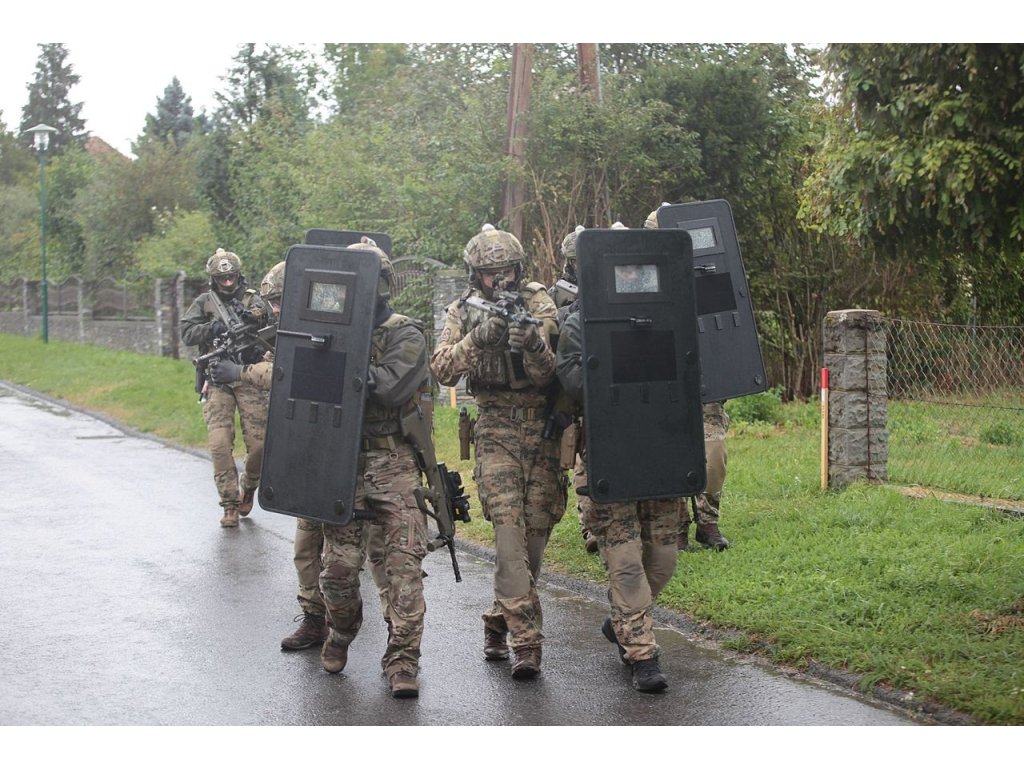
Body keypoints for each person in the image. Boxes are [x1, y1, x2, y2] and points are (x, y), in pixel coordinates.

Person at [209, 259, 391, 657]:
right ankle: (313, 617)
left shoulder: (326, 331)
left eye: (279, 302)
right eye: (272, 304)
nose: (274, 310)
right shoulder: (288, 329)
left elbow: (287, 371)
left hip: (352, 454)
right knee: (306, 545)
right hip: (311, 448)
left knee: (372, 554)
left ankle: (386, 631)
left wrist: (240, 372)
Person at [430, 224, 562, 680]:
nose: (498, 280)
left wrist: (533, 344)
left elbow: (551, 375)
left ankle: (497, 619)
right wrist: (479, 338)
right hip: (494, 429)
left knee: (533, 544)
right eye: (489, 273)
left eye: (505, 271)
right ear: (475, 274)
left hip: (541, 432)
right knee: (508, 536)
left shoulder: (538, 302)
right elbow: (441, 370)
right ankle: (527, 642)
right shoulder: (462, 309)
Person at [554, 246, 680, 694]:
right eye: (620, 272)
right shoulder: (579, 322)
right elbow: (573, 378)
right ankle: (643, 655)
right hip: (609, 455)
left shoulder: (670, 312)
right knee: (626, 563)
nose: (628, 279)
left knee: (662, 560)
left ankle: (623, 621)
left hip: (662, 451)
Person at [644, 206, 730, 551]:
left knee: (714, 454)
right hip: (665, 384)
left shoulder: (705, 276)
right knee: (670, 454)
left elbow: (725, 327)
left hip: (705, 383)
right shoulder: (642, 280)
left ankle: (707, 522)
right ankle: (677, 524)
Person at [180, 248, 270, 528]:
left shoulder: (252, 299)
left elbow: (269, 316)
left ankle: (249, 486)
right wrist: (212, 328)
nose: (227, 282)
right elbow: (187, 333)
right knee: (219, 444)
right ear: (213, 279)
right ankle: (229, 503)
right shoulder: (204, 302)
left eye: (231, 277)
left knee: (260, 445)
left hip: (248, 375)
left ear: (238, 275)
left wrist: (253, 316)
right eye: (222, 279)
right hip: (218, 378)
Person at [548, 226, 597, 555]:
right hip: (571, 383)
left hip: (595, 377)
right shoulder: (556, 295)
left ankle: (597, 520)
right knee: (579, 456)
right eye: (575, 260)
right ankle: (590, 524)